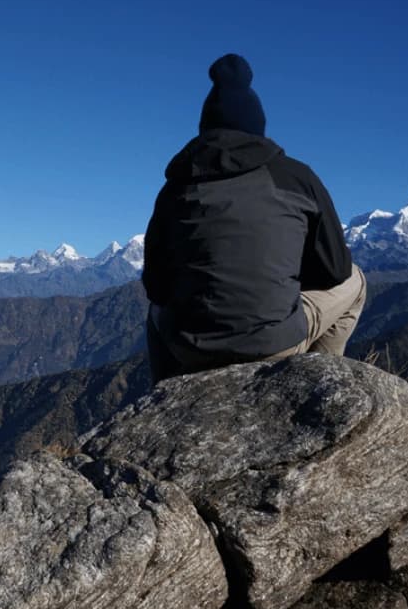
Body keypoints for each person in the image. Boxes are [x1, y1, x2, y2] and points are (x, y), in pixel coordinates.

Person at [142, 53, 366, 383]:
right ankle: (319, 386)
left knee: (155, 314)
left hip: (188, 349)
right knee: (356, 280)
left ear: (205, 129)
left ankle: (163, 395)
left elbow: (157, 288)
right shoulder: (296, 178)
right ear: (257, 129)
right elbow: (335, 269)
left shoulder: (175, 188)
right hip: (274, 344)